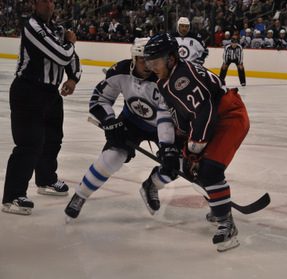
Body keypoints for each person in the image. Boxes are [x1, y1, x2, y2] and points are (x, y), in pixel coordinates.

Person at [143, 33, 250, 252]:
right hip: (213, 119)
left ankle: (226, 224)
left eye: (156, 61)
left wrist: (194, 151)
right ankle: (153, 185)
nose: (152, 66)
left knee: (209, 170)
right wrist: (175, 145)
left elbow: (205, 113)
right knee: (187, 166)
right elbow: (182, 114)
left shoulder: (181, 79)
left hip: (229, 117)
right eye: (149, 62)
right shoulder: (167, 78)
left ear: (171, 58)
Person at [64, 38, 178, 219]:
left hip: (165, 126)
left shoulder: (166, 78)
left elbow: (171, 115)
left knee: (177, 163)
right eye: (143, 59)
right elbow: (100, 100)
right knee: (113, 156)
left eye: (152, 60)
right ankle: (81, 195)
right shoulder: (120, 71)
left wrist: (168, 147)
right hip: (132, 121)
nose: (148, 65)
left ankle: (152, 185)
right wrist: (110, 121)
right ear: (133, 58)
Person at [2, 0, 81, 215]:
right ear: (35, 4)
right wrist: (70, 43)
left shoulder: (57, 29)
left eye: (52, 1)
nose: (50, 5)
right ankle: (12, 196)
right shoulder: (32, 26)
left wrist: (73, 78)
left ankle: (46, 180)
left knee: (53, 139)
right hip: (28, 91)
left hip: (50, 93)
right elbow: (62, 54)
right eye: (45, 1)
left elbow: (72, 59)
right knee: (29, 143)